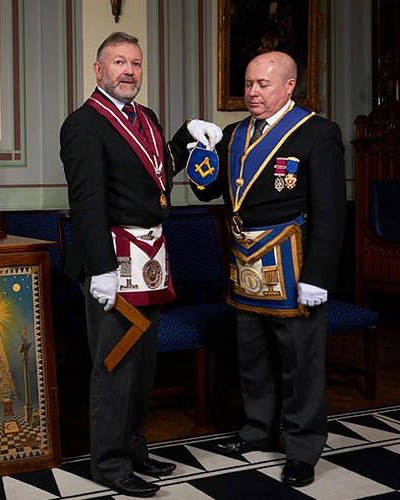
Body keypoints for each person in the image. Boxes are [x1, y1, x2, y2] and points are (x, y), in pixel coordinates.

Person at [59, 32, 223, 498]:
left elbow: (156, 168)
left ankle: (133, 450)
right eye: (118, 62)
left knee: (144, 366)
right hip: (113, 263)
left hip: (151, 259)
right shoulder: (83, 125)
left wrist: (185, 133)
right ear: (98, 70)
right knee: (114, 366)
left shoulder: (144, 117)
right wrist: (102, 268)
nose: (128, 71)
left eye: (135, 62)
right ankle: (109, 464)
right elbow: (88, 201)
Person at [173, 50, 345, 488]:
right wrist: (199, 153)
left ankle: (303, 448)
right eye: (248, 84)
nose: (252, 92)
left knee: (299, 360)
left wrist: (319, 276)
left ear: (289, 87)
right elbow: (210, 190)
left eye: (262, 85)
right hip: (245, 260)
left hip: (294, 262)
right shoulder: (233, 133)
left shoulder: (317, 134)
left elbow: (330, 212)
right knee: (251, 354)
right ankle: (257, 430)